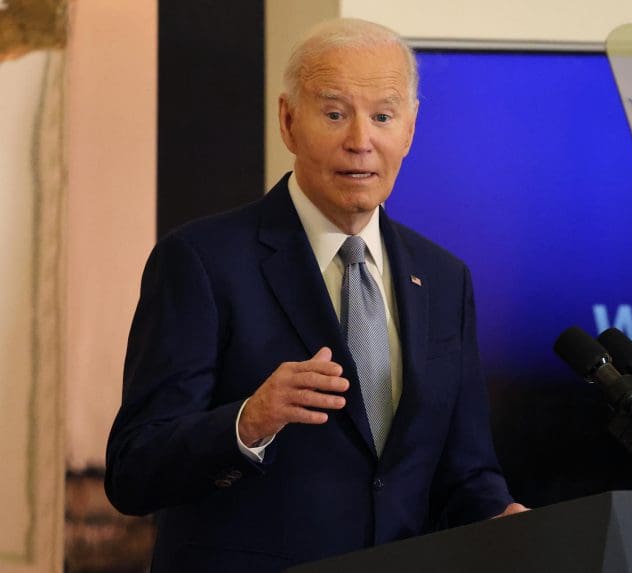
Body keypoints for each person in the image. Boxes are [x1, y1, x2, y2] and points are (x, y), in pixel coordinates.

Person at [105, 17, 525, 571]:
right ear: (288, 122)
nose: (360, 141)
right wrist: (248, 421)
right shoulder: (203, 260)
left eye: (382, 116)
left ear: (410, 130)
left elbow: (465, 473)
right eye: (334, 113)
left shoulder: (445, 279)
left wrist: (504, 517)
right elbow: (134, 470)